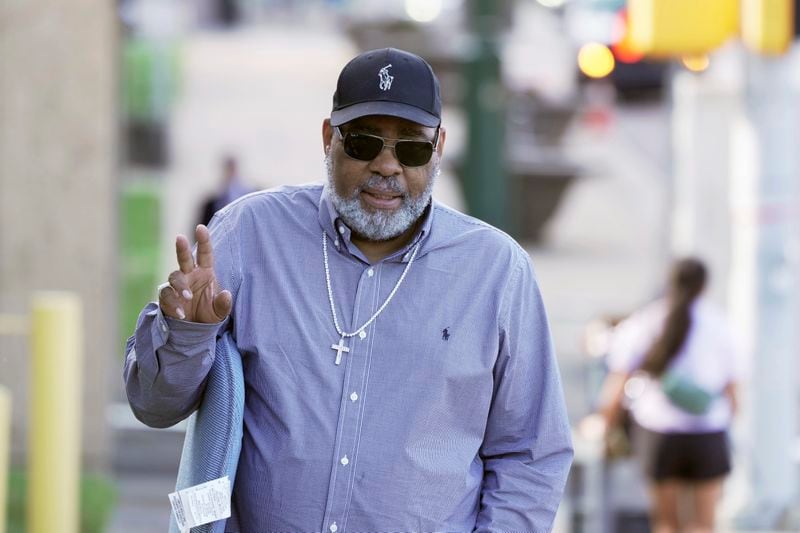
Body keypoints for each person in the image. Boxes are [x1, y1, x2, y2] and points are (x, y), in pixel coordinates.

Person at [124, 47, 573, 532]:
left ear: (438, 149)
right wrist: (187, 334)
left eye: (412, 147)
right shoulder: (248, 235)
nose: (387, 165)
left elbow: (531, 456)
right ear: (327, 139)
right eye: (364, 143)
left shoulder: (497, 272)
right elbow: (152, 405)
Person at [597, 258, 742, 533]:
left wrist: (606, 423)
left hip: (658, 433)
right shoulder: (720, 324)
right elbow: (733, 391)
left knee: (665, 522)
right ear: (705, 286)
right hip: (708, 432)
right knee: (703, 523)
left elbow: (618, 381)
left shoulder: (647, 321)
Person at [197, 155, 254, 227]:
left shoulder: (250, 197)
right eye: (228, 170)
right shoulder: (211, 203)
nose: (231, 174)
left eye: (232, 170)